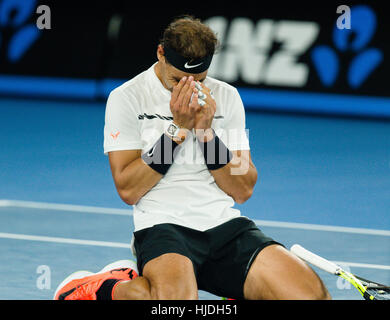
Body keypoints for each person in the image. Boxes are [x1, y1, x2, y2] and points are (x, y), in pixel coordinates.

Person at [54, 15, 330, 300]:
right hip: (162, 226)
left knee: (310, 296)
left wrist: (205, 132)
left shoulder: (227, 97)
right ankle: (101, 286)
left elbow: (242, 188)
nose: (187, 89)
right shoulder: (126, 97)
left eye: (198, 80)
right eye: (177, 79)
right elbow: (129, 188)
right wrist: (178, 129)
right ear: (160, 53)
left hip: (223, 224)